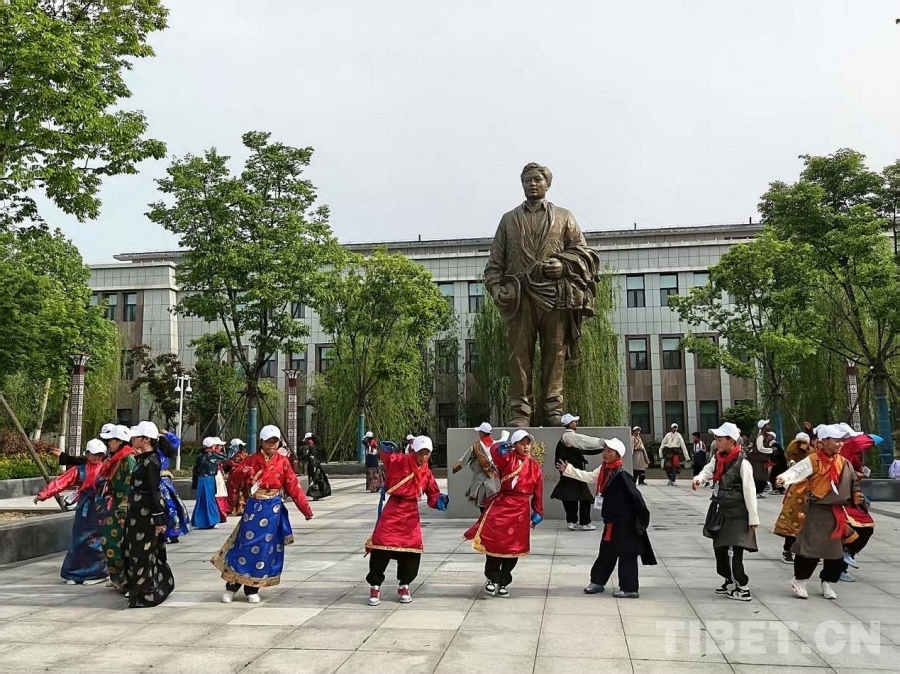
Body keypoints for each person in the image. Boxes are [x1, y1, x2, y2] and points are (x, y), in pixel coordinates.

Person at [483, 162, 602, 427]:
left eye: (537, 179)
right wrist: (497, 289)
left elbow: (585, 253)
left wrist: (563, 265)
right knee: (519, 357)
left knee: (554, 355)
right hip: (519, 297)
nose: (532, 184)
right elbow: (493, 266)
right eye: (527, 180)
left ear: (548, 184)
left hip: (555, 296)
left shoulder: (564, 217)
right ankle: (521, 413)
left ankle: (553, 410)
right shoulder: (508, 220)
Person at [213, 425, 313, 604]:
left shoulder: (283, 462)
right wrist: (229, 503)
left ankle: (252, 588)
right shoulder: (250, 461)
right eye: (268, 441)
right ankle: (231, 586)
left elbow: (293, 486)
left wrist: (305, 508)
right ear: (261, 442)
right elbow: (234, 481)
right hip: (254, 508)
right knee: (244, 545)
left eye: (274, 442)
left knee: (265, 549)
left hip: (273, 510)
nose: (271, 445)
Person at [557, 437, 656, 598]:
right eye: (604, 450)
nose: (605, 453)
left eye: (609, 451)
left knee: (626, 554)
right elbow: (589, 477)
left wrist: (640, 522)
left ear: (618, 455)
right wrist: (568, 469)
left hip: (625, 523)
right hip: (611, 522)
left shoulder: (622, 476)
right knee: (606, 552)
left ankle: (629, 588)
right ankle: (597, 582)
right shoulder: (604, 470)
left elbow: (637, 499)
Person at [776, 424, 864, 601]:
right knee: (810, 549)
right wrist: (784, 477)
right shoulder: (813, 460)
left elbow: (853, 483)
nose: (840, 444)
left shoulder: (843, 462)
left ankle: (827, 582)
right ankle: (799, 580)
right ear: (824, 441)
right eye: (836, 440)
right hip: (816, 511)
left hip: (836, 512)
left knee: (835, 553)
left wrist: (856, 495)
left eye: (841, 441)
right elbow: (797, 471)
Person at [365, 435, 448, 606]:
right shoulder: (400, 461)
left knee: (412, 550)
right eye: (421, 452)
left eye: (427, 453)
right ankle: (375, 585)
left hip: (410, 514)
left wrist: (439, 500)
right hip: (393, 510)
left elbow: (433, 493)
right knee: (381, 546)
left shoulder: (426, 473)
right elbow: (388, 459)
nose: (424, 456)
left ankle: (404, 584)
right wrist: (386, 450)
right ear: (413, 451)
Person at [464, 429, 544, 598]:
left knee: (514, 548)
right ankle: (492, 577)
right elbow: (495, 452)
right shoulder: (508, 459)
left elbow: (538, 490)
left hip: (521, 509)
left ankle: (504, 581)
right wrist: (501, 445)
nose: (526, 446)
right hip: (503, 504)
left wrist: (538, 510)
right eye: (521, 443)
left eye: (528, 443)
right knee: (495, 544)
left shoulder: (535, 466)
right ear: (514, 445)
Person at [692, 422, 759, 602]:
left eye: (720, 439)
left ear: (731, 440)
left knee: (732, 549)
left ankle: (742, 586)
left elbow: (749, 490)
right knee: (720, 547)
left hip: (737, 512)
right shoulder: (718, 458)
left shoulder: (743, 463)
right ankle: (729, 579)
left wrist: (753, 518)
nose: (717, 442)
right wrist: (699, 479)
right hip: (720, 508)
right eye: (716, 438)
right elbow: (708, 471)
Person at [34, 438, 109, 585]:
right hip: (84, 507)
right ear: (87, 454)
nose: (96, 457)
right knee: (78, 538)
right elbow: (61, 482)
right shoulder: (79, 470)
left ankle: (97, 573)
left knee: (95, 540)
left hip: (101, 509)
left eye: (99, 454)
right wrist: (43, 494)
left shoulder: (107, 469)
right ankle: (75, 573)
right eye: (93, 454)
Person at [123, 421, 176, 608]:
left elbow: (154, 492)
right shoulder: (143, 459)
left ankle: (147, 592)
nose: (132, 439)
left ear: (145, 439)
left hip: (146, 516)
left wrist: (159, 519)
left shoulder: (151, 462)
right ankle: (138, 590)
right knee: (132, 551)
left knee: (143, 553)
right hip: (136, 514)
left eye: (136, 436)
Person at [98, 424, 137, 592]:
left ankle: (127, 580)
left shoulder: (128, 459)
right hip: (116, 503)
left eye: (111, 440)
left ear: (120, 441)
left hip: (124, 506)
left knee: (120, 544)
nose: (108, 443)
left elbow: (130, 486)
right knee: (109, 542)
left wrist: (123, 510)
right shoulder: (117, 459)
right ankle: (118, 577)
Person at [551, 413, 605, 531]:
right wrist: (604, 443)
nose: (576, 423)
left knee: (570, 497)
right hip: (572, 472)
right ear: (570, 424)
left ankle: (572, 521)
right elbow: (587, 442)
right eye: (574, 422)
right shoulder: (570, 436)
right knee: (584, 498)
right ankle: (584, 523)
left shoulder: (565, 437)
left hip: (568, 472)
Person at [775, 431, 815, 564]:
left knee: (804, 524)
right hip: (799, 492)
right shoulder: (801, 458)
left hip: (806, 492)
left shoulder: (810, 455)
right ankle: (788, 551)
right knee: (794, 523)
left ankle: (801, 551)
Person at [452, 423, 500, 513]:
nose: (479, 434)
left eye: (480, 432)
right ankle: (486, 518)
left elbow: (466, 457)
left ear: (482, 433)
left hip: (480, 477)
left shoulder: (477, 446)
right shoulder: (495, 444)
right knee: (490, 499)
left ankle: (484, 519)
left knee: (482, 501)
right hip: (490, 476)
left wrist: (457, 466)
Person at [157, 431, 190, 544]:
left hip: (157, 481)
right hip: (167, 482)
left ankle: (164, 533)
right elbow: (176, 440)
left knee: (162, 507)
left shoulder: (153, 452)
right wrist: (167, 433)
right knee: (172, 506)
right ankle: (174, 532)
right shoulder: (165, 451)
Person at [192, 437, 229, 530]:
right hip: (209, 480)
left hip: (201, 480)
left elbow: (195, 470)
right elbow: (226, 457)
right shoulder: (213, 456)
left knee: (201, 500)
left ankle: (199, 521)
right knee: (210, 500)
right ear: (212, 446)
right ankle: (213, 520)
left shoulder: (199, 456)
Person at [303, 432, 332, 500]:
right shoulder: (310, 447)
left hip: (314, 466)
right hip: (313, 465)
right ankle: (315, 494)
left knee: (315, 479)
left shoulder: (314, 447)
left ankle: (316, 494)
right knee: (313, 479)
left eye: (308, 440)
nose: (307, 441)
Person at [225, 439, 250, 515]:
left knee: (236, 490)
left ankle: (236, 508)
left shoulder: (234, 453)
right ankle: (238, 508)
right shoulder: (242, 453)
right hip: (240, 472)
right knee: (238, 490)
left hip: (238, 472)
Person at [746, 430, 774, 498]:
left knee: (762, 479)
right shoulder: (760, 437)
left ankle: (759, 492)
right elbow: (760, 449)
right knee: (758, 478)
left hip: (762, 462)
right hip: (757, 462)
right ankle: (756, 492)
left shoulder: (764, 439)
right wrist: (770, 450)